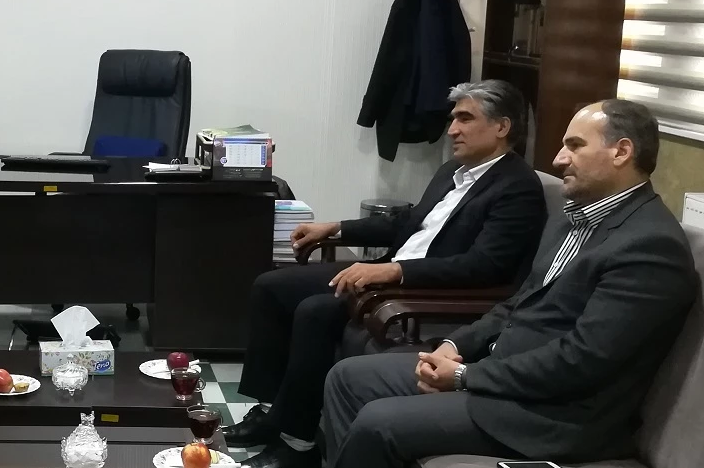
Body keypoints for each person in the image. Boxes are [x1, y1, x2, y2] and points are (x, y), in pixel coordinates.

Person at [317, 99, 700, 468]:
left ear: (622, 152)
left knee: (379, 423)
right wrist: (455, 345)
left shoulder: (650, 246)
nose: (558, 159)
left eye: (574, 146)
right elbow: (518, 303)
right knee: (347, 377)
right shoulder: (573, 218)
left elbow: (582, 360)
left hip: (551, 415)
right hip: (501, 373)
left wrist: (466, 377)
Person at [231, 80, 550, 468]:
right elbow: (408, 223)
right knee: (271, 285)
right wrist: (336, 228)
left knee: (316, 310)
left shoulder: (517, 187)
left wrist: (394, 270)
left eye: (465, 119)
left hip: (422, 289)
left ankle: (298, 444)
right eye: (452, 119)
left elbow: (485, 266)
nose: (452, 130)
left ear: (502, 126)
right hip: (393, 271)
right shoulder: (453, 170)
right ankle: (270, 412)